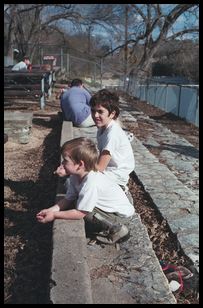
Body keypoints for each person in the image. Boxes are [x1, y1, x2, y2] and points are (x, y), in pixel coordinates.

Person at [36, 137, 135, 245]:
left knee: (85, 213)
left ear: (80, 164)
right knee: (76, 202)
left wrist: (55, 216)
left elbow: (80, 214)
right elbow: (68, 198)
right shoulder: (75, 176)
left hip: (118, 216)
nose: (62, 164)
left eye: (65, 160)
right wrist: (51, 210)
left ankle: (117, 230)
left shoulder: (91, 183)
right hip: (108, 209)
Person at [89, 89, 135, 194]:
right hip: (109, 172)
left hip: (115, 176)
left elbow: (100, 167)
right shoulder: (102, 128)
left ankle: (119, 190)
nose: (95, 115)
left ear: (112, 114)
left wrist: (80, 164)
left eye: (100, 111)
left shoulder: (112, 134)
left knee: (76, 180)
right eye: (93, 111)